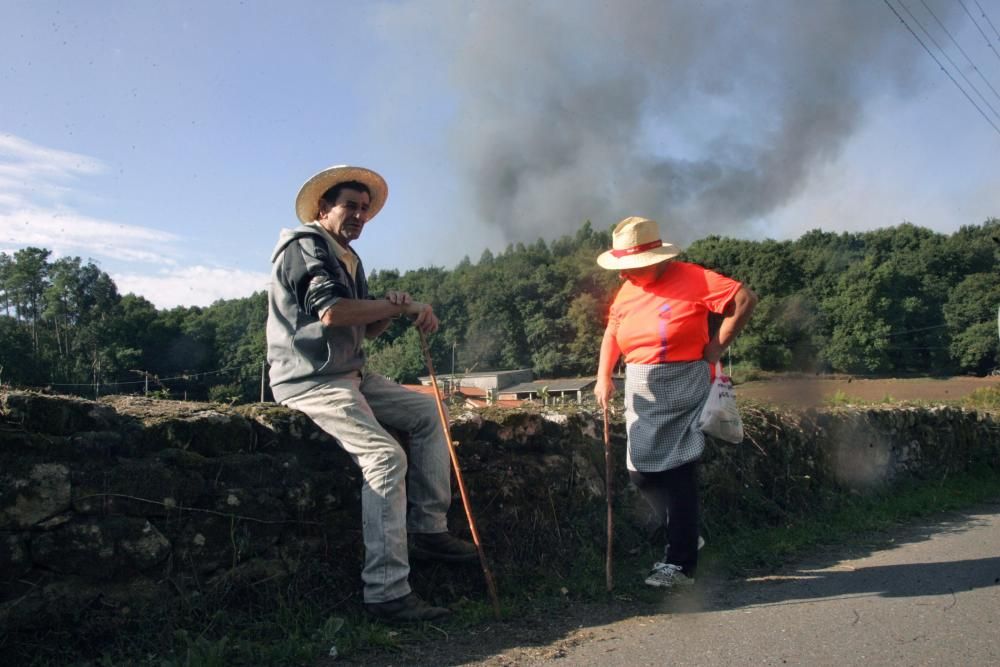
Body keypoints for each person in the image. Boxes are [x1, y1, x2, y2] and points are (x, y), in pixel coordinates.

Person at [266, 165, 476, 622]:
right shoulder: (305, 246)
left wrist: (393, 310)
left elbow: (366, 326)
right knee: (384, 457)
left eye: (365, 209)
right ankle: (386, 593)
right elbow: (333, 313)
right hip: (311, 380)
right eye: (350, 206)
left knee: (430, 412)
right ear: (324, 208)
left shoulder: (347, 257)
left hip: (349, 374)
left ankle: (429, 530)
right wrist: (402, 305)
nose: (360, 215)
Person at [593, 216, 757, 589]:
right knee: (640, 470)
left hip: (684, 379)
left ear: (656, 259)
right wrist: (604, 376)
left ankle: (681, 564)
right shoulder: (629, 290)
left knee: (678, 466)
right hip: (640, 384)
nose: (624, 275)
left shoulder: (694, 278)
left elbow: (744, 299)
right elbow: (612, 332)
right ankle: (685, 534)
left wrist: (717, 347)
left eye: (632, 267)